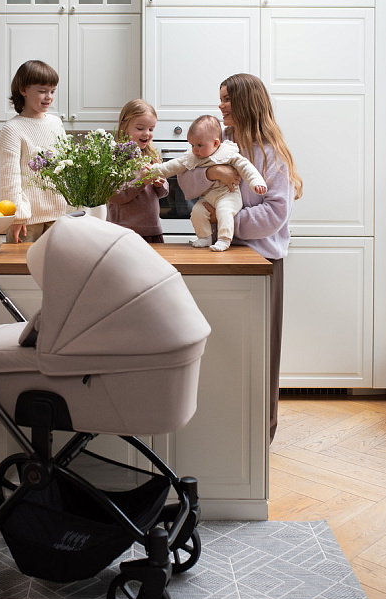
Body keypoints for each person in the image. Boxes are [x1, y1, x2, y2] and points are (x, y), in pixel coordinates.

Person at [177, 74, 303, 443]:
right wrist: (212, 171)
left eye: (228, 99)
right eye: (220, 98)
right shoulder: (220, 142)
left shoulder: (271, 153)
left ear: (247, 102)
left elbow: (275, 214)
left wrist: (223, 221)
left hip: (261, 265)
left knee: (259, 356)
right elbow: (185, 183)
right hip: (221, 257)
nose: (221, 106)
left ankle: (260, 435)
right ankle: (225, 436)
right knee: (224, 355)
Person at [147, 114, 267, 251]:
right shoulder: (194, 156)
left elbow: (246, 167)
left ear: (215, 143)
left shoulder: (228, 153)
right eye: (192, 145)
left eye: (199, 145)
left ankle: (224, 239)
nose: (195, 150)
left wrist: (256, 182)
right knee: (197, 212)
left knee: (224, 211)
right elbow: (172, 166)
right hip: (208, 198)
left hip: (229, 194)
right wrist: (154, 170)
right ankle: (205, 237)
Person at [0, 60, 68, 244]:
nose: (49, 97)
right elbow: (9, 178)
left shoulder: (56, 123)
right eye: (42, 91)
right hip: (26, 221)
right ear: (23, 90)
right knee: (22, 263)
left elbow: (66, 169)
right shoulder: (12, 129)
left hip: (59, 217)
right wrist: (17, 217)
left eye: (52, 91)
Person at [107, 99, 169, 243]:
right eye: (140, 128)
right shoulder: (115, 157)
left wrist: (160, 185)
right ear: (124, 127)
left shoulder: (153, 155)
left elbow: (164, 192)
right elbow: (114, 195)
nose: (147, 134)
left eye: (151, 129)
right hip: (123, 232)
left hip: (152, 231)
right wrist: (142, 181)